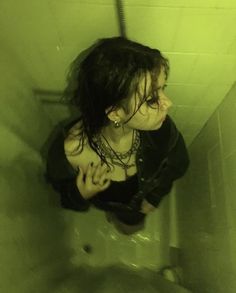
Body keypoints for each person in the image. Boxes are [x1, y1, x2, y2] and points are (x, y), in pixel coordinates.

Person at [45, 36, 190, 235]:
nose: (168, 104)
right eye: (151, 99)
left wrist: (155, 196)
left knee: (133, 225)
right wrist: (80, 194)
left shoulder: (160, 128)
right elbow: (64, 198)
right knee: (122, 221)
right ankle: (114, 215)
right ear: (115, 113)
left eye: (162, 89)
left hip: (141, 199)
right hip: (111, 204)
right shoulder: (68, 154)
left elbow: (180, 163)